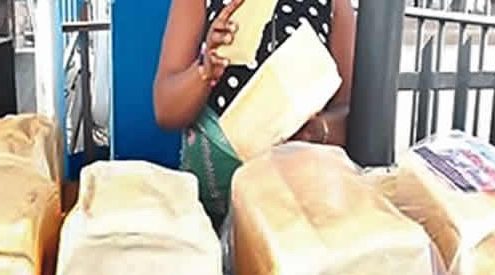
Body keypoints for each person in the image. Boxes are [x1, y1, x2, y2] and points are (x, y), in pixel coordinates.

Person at [153, 0, 356, 229]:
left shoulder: (335, 4)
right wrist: (204, 70)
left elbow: (352, 113)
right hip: (212, 212)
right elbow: (166, 110)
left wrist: (317, 131)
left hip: (298, 212)